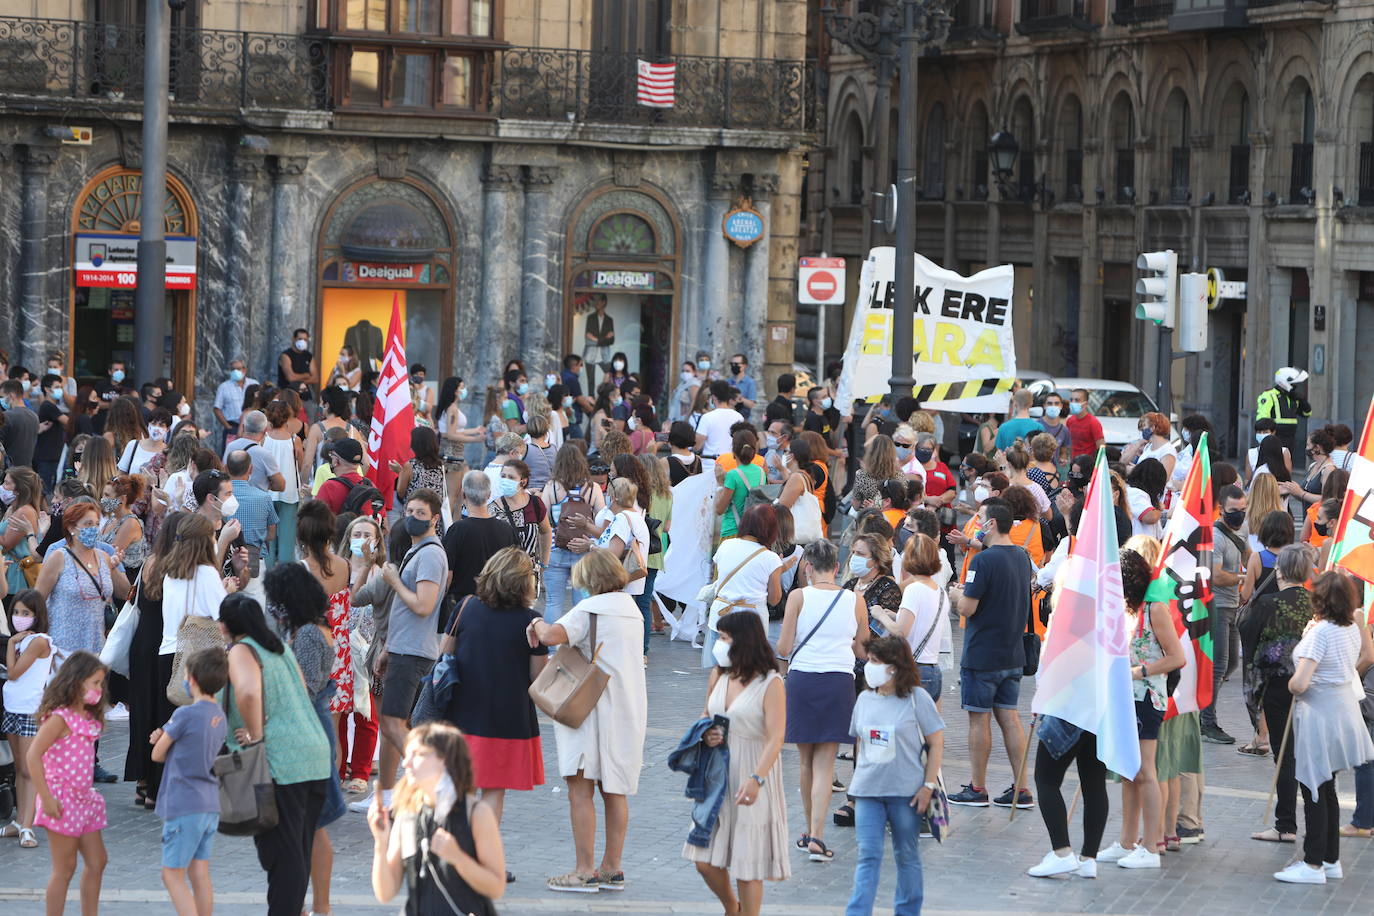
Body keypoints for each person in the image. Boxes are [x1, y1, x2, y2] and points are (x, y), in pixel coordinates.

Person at [526, 549, 648, 893]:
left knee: (580, 789)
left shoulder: (590, 608)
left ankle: (584, 870)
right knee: (615, 790)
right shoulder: (632, 612)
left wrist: (535, 621)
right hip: (626, 708)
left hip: (589, 709)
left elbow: (551, 636)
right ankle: (613, 867)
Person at [217, 593, 331, 915]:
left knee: (283, 854)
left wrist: (255, 735)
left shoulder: (241, 650)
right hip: (313, 755)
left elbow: (249, 691)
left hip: (282, 762)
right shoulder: (278, 649)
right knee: (297, 849)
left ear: (224, 626)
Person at [686, 612, 789, 916]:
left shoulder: (771, 683)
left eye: (724, 638)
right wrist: (705, 733)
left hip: (753, 771)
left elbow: (776, 737)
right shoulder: (719, 675)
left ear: (743, 641)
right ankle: (734, 907)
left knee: (748, 864)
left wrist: (757, 779)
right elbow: (705, 715)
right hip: (718, 773)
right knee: (703, 860)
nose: (718, 644)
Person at [1274, 571, 1374, 884]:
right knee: (1326, 786)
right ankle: (1330, 859)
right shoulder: (1349, 628)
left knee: (1315, 788)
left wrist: (1291, 682)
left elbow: (1300, 682)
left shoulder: (1322, 632)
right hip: (1341, 713)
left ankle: (1314, 862)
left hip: (1319, 716)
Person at [442, 548, 548, 836]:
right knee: (493, 791)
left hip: (462, 712)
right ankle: (483, 856)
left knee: (461, 788)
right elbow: (538, 677)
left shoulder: (465, 607)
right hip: (507, 718)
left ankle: (456, 852)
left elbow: (444, 655)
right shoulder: (532, 621)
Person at [1094, 548, 1186, 869]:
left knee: (1146, 771)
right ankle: (1126, 840)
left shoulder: (1154, 609)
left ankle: (1150, 844)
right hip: (1124, 697)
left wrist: (1140, 671)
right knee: (1127, 770)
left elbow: (1177, 657)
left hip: (1147, 697)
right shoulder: (1129, 609)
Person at [776, 539, 866, 863]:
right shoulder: (855, 599)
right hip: (839, 682)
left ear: (808, 566)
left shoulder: (798, 597)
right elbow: (862, 647)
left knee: (804, 761)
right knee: (826, 764)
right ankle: (818, 835)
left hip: (802, 680)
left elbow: (784, 647)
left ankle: (807, 830)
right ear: (838, 567)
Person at [845, 636, 945, 915]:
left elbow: (936, 742)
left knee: (907, 854)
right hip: (867, 792)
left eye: (876, 662)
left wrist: (928, 785)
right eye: (869, 661)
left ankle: (908, 911)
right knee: (868, 855)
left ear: (894, 666)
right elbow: (859, 743)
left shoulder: (917, 699)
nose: (869, 666)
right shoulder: (864, 699)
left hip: (906, 793)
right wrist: (854, 788)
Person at [368, 721, 507, 912]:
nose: (405, 762)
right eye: (408, 754)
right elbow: (385, 893)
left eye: (419, 754)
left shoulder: (476, 813)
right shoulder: (407, 813)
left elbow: (496, 887)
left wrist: (458, 857)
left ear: (446, 761)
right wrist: (380, 843)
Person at [951, 498, 1034, 809]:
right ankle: (1022, 787)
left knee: (978, 719)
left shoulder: (983, 561)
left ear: (993, 524)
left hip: (982, 653)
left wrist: (956, 595)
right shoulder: (1022, 557)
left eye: (981, 518)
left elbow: (968, 607)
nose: (976, 524)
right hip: (1012, 653)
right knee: (1010, 718)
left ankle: (978, 786)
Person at [1241, 543, 1315, 843]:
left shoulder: (1267, 603)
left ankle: (1285, 825)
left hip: (1276, 685)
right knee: (1308, 755)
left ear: (1279, 570)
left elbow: (1247, 636)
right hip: (1311, 686)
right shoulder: (1318, 603)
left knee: (1284, 754)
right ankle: (1308, 823)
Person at [28, 650, 110, 916]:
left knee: (97, 861)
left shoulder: (87, 718)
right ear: (76, 681)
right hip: (61, 799)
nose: (99, 689)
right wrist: (46, 797)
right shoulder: (59, 718)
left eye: (100, 683)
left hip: (85, 799)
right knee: (64, 868)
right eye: (95, 683)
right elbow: (33, 756)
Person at [149, 647, 228, 916]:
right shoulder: (219, 715)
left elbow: (157, 754)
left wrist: (162, 737)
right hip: (209, 803)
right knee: (199, 873)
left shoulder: (183, 714)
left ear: (191, 678)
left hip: (184, 803)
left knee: (172, 875)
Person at [36, 500, 131, 658]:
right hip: (62, 648)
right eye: (87, 524)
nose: (93, 529)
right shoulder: (58, 557)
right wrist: (42, 646)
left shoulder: (104, 557)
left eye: (96, 523)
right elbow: (38, 601)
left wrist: (114, 567)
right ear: (72, 528)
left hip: (97, 647)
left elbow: (125, 593)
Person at [874, 533, 952, 706]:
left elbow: (901, 631)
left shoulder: (913, 589)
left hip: (914, 669)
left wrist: (880, 615)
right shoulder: (939, 591)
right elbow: (923, 619)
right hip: (932, 669)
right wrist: (895, 615)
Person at [3, 589, 53, 849]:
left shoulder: (39, 641)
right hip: (13, 708)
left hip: (29, 711)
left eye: (26, 613)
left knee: (28, 769)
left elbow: (13, 673)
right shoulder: (24, 641)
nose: (19, 617)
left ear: (37, 615)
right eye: (16, 612)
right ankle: (20, 821)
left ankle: (28, 826)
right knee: (19, 769)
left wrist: (11, 643)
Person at [702, 505, 788, 658]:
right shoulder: (770, 558)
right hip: (752, 623)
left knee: (722, 671)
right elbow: (774, 600)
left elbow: (720, 578)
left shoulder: (725, 546)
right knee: (747, 674)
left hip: (721, 617)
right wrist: (779, 570)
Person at [1203, 484, 1248, 746]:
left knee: (1230, 664)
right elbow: (1217, 575)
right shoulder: (1215, 536)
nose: (1239, 515)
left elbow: (1249, 555)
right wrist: (1244, 578)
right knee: (1219, 664)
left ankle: (1202, 711)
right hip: (1217, 605)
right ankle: (1208, 721)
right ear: (1221, 510)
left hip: (1233, 605)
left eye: (1242, 510)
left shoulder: (1242, 528)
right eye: (1234, 511)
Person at [541, 446, 607, 622]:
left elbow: (543, 518)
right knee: (583, 603)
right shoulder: (593, 488)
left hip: (555, 549)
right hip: (584, 549)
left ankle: (553, 648)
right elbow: (601, 519)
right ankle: (580, 645)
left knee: (553, 602)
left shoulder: (551, 487)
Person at [260, 400, 303, 568]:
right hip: (289, 492)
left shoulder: (264, 439)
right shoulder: (295, 440)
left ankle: (269, 572)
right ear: (288, 417)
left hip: (267, 492)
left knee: (268, 538)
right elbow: (300, 464)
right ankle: (286, 575)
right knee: (287, 538)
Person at [221, 410, 284, 494]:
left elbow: (223, 473)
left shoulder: (231, 446)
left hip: (232, 499)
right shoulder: (265, 454)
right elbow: (280, 485)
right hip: (258, 502)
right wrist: (265, 485)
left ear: (243, 427)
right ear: (265, 431)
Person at [99, 474, 148, 578]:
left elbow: (110, 554)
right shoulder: (112, 518)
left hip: (124, 578)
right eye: (103, 495)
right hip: (105, 573)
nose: (102, 499)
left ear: (121, 499)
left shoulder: (130, 523)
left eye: (107, 495)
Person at [1255, 367, 1312, 456]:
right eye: (1292, 384)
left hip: (1290, 437)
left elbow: (1307, 413)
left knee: (1287, 464)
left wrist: (1302, 400)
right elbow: (1262, 420)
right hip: (1275, 437)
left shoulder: (1293, 397)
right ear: (1285, 382)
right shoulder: (1269, 395)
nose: (1295, 386)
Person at [315, 438, 369, 516]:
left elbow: (315, 522)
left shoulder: (329, 488)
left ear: (337, 460)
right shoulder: (370, 486)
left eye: (332, 456)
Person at [213, 357, 257, 447]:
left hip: (252, 427)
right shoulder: (224, 387)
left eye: (238, 369)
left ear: (244, 370)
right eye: (232, 369)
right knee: (230, 456)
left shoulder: (254, 384)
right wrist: (227, 426)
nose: (235, 371)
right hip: (233, 427)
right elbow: (217, 409)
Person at [1121, 412, 1177, 481]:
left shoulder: (1167, 450)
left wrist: (1136, 470)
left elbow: (1163, 479)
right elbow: (1122, 462)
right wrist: (1139, 443)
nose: (1141, 431)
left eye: (1143, 427)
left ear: (1152, 428)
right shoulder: (1148, 447)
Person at [695, 380, 742, 460]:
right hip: (731, 464)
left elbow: (697, 446)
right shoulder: (739, 417)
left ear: (713, 397)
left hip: (710, 464)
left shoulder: (707, 417)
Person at [0, 378, 40, 470]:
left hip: (9, 473)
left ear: (11, 396)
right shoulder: (34, 416)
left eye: (1, 396)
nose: (0, 400)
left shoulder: (5, 417)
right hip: (27, 471)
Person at [1124, 458, 1167, 539]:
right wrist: (1162, 510)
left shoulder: (1143, 496)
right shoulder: (1134, 493)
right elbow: (1150, 517)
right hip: (1137, 547)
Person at [277, 328, 315, 403]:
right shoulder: (286, 355)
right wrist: (305, 375)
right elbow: (290, 377)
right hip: (288, 396)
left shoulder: (308, 356)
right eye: (300, 338)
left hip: (305, 397)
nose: (303, 341)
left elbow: (315, 378)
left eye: (305, 339)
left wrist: (299, 381)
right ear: (293, 339)